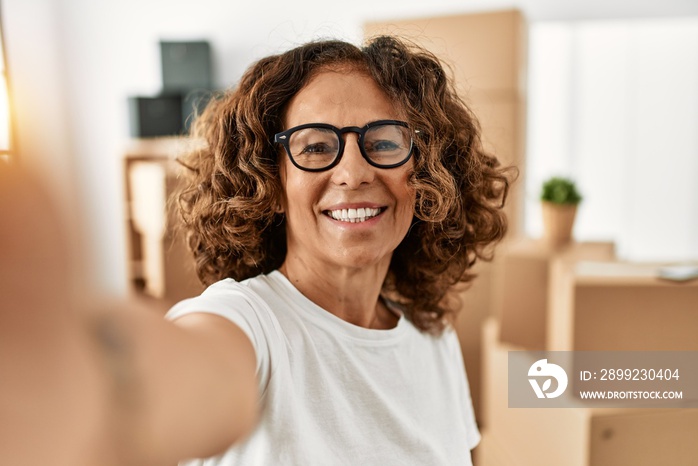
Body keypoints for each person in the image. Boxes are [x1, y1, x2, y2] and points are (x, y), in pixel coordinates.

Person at [167, 35, 511, 465]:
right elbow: (169, 383)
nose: (352, 172)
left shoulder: (434, 340)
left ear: (427, 176)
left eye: (384, 142)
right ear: (271, 184)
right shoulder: (250, 323)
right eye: (315, 147)